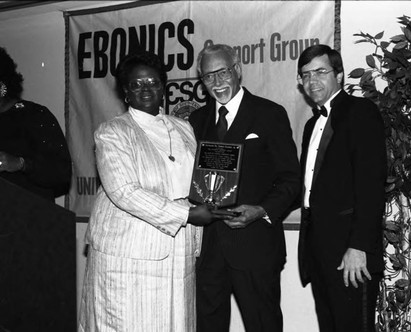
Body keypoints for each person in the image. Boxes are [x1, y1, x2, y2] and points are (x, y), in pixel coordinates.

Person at [78, 51, 215, 331]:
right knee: (129, 322)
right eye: (137, 84)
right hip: (128, 252)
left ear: (163, 87)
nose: (146, 89)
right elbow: (124, 192)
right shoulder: (113, 132)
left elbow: (197, 180)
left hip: (179, 248)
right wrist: (186, 214)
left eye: (153, 82)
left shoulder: (184, 127)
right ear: (126, 92)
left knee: (173, 322)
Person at [189, 44, 300, 332]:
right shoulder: (195, 121)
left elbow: (291, 180)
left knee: (263, 325)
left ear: (237, 70)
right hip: (208, 249)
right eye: (208, 77)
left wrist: (261, 210)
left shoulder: (269, 114)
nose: (217, 83)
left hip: (255, 246)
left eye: (222, 72)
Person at [296, 44, 387, 332]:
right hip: (318, 250)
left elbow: (371, 185)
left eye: (320, 72)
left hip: (350, 253)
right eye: (305, 75)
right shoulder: (311, 125)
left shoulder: (361, 112)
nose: (312, 81)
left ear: (340, 75)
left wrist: (358, 246)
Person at [0, 46, 71, 202]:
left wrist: (21, 164)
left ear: (2, 87)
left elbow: (62, 173)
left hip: (29, 218)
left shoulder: (35, 116)